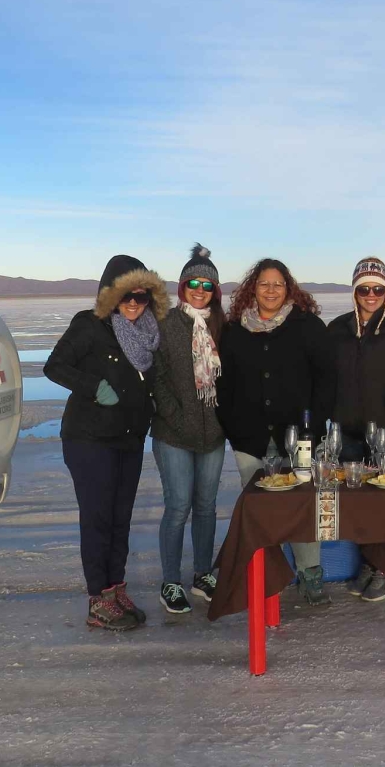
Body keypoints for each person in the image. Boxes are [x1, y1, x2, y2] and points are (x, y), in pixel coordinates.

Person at [44, 254, 168, 630]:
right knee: (98, 518)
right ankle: (98, 599)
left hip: (128, 440)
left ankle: (116, 589)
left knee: (120, 519)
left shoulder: (149, 335)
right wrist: (94, 387)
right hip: (89, 439)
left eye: (141, 296)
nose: (133, 303)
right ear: (110, 296)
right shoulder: (90, 325)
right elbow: (54, 366)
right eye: (126, 295)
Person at [216, 257, 337, 607]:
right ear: (253, 287)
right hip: (249, 438)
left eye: (278, 284)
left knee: (302, 505)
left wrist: (313, 428)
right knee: (259, 512)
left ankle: (310, 575)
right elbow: (224, 387)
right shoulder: (236, 330)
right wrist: (234, 427)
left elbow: (327, 381)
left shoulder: (307, 326)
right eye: (264, 283)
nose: (271, 290)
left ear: (289, 289)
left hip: (299, 436)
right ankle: (268, 575)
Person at [327, 255, 385, 602]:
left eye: (377, 289)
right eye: (364, 288)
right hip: (347, 431)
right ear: (354, 290)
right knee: (358, 502)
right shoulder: (337, 328)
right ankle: (368, 561)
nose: (370, 294)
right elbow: (326, 376)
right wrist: (334, 416)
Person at [150, 244, 228, 615]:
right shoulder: (166, 322)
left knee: (207, 507)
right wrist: (176, 416)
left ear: (215, 290)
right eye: (193, 282)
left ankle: (202, 574)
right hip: (173, 434)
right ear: (182, 286)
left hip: (213, 432)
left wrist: (224, 419)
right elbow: (158, 378)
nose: (200, 289)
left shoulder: (221, 326)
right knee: (178, 506)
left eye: (207, 284)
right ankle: (170, 580)